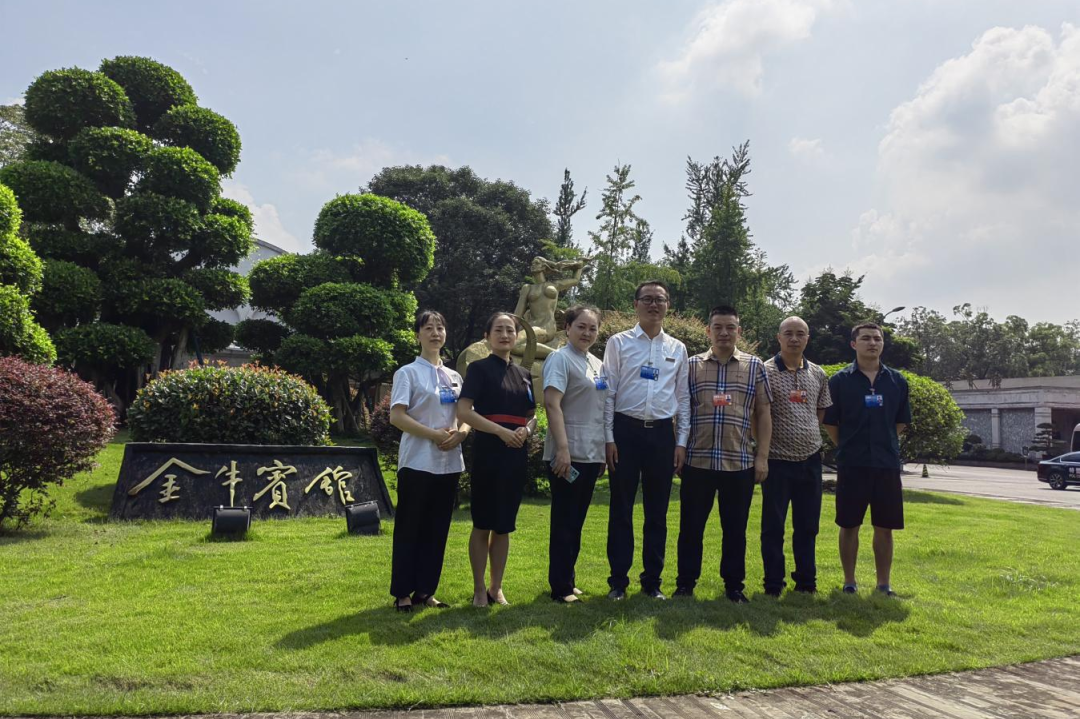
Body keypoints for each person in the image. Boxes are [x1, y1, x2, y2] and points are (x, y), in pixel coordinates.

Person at [675, 305, 772, 603]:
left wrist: (762, 456)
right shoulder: (691, 365)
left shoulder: (755, 366)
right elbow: (681, 410)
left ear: (738, 331)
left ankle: (734, 586)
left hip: (738, 462)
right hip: (697, 460)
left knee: (735, 530)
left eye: (730, 327)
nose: (724, 333)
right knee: (691, 528)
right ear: (708, 331)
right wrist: (678, 448)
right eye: (718, 327)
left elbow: (764, 412)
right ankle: (685, 584)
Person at [602, 281, 690, 601]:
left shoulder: (677, 348)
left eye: (660, 300)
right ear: (636, 304)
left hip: (662, 435)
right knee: (621, 509)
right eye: (647, 299)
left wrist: (681, 442)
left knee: (657, 513)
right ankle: (618, 582)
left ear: (668, 306)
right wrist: (609, 437)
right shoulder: (618, 342)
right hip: (625, 432)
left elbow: (683, 398)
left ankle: (652, 582)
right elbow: (608, 391)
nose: (654, 305)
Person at [388, 310, 470, 612]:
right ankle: (402, 592)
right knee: (410, 527)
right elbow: (397, 417)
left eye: (440, 328)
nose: (435, 333)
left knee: (437, 529)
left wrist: (462, 432)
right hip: (418, 462)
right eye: (428, 328)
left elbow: (465, 415)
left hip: (449, 463)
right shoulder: (408, 373)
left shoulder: (454, 377)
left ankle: (425, 590)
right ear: (418, 335)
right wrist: (433, 435)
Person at [823, 321, 911, 597]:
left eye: (877, 338)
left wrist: (884, 442)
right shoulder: (839, 381)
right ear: (854, 344)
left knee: (885, 526)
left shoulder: (897, 381)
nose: (872, 343)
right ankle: (849, 581)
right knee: (849, 524)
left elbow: (900, 422)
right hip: (852, 463)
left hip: (886, 464)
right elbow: (830, 422)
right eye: (866, 338)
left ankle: (883, 583)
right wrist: (848, 445)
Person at [457, 312, 538, 607]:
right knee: (483, 523)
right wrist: (501, 432)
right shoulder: (478, 369)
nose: (505, 335)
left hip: (515, 455)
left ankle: (496, 587)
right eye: (499, 330)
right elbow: (464, 411)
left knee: (504, 525)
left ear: (516, 336)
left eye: (510, 330)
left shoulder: (524, 374)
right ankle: (479, 589)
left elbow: (532, 416)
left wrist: (526, 431)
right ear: (487, 336)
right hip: (488, 453)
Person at [760, 316, 832, 596]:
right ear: (778, 337)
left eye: (800, 334)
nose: (794, 339)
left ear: (807, 339)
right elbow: (759, 414)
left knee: (808, 525)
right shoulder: (765, 371)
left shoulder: (818, 373)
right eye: (788, 333)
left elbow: (820, 410)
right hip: (776, 460)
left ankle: (806, 581)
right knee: (773, 526)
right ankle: (773, 582)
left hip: (810, 459)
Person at [543, 305, 606, 603]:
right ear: (567, 327)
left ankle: (568, 578)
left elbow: (599, 408)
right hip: (567, 454)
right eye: (581, 326)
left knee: (577, 521)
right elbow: (552, 404)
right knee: (565, 521)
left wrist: (602, 451)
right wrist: (563, 449)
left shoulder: (597, 363)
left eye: (593, 328)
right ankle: (560, 587)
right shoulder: (560, 359)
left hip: (591, 454)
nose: (587, 333)